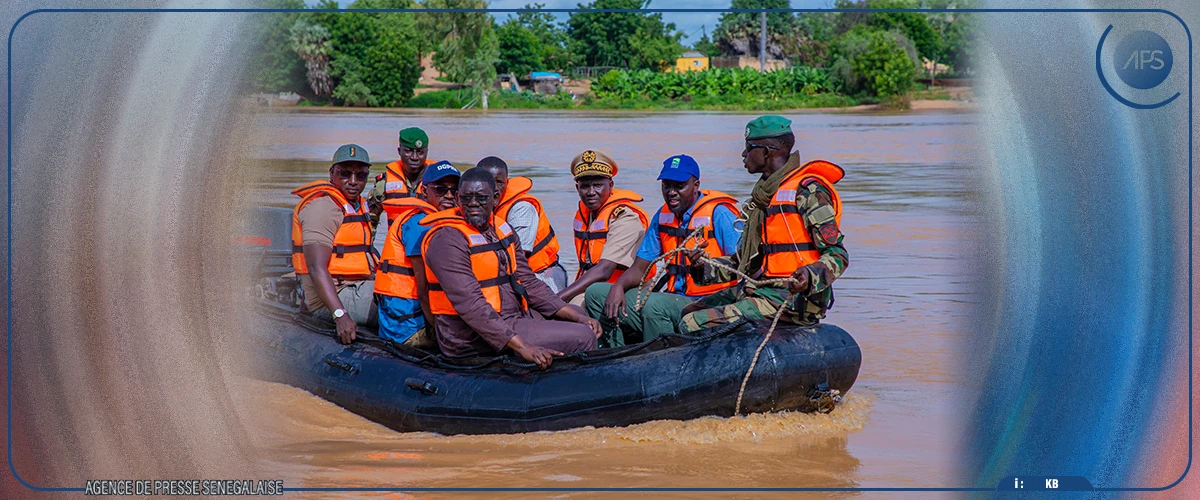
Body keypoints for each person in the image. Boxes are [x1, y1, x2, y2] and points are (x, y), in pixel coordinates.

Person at [677, 115, 849, 332]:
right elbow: (745, 264)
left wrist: (809, 276)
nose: (743, 154)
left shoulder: (808, 192)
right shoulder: (763, 197)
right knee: (687, 312)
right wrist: (702, 267)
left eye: (748, 148)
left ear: (766, 152)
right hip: (761, 290)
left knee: (691, 324)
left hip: (792, 299)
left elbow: (837, 254)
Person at [419, 167, 601, 369]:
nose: (472, 204)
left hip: (512, 317)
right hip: (469, 335)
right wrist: (523, 347)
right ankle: (577, 389)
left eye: (481, 198)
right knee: (583, 336)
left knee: (577, 315)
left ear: (495, 198)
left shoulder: (501, 229)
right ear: (458, 199)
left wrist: (573, 314)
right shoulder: (447, 240)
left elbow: (528, 281)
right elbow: (471, 306)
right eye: (466, 198)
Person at [585, 154, 742, 347]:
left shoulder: (719, 214)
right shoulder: (662, 215)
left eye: (679, 186)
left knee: (654, 306)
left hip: (710, 300)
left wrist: (705, 265)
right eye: (666, 185)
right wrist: (618, 286)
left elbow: (743, 264)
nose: (671, 192)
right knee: (596, 293)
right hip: (674, 295)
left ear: (696, 185)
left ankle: (662, 358)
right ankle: (614, 356)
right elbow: (639, 268)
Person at [291, 144, 379, 345]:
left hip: (357, 287)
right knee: (400, 302)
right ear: (332, 173)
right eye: (345, 174)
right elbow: (315, 267)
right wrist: (340, 315)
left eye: (361, 175)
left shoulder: (357, 204)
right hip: (332, 299)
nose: (353, 182)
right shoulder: (323, 207)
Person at [373, 161, 460, 346]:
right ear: (425, 191)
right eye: (441, 189)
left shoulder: (445, 222)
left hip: (419, 313)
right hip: (407, 325)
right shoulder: (419, 224)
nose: (449, 195)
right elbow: (423, 292)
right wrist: (441, 332)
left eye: (455, 190)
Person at [557, 150, 651, 308]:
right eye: (585, 186)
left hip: (623, 291)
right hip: (593, 288)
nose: (591, 192)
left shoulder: (624, 218)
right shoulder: (586, 215)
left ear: (611, 185)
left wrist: (557, 299)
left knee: (568, 311)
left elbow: (604, 270)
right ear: (577, 187)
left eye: (598, 185)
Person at [476, 156, 568, 293]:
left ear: (507, 182)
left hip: (540, 275)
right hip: (507, 272)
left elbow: (517, 257)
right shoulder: (472, 204)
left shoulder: (521, 208)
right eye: (488, 181)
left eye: (499, 182)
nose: (494, 187)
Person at [370, 127, 436, 227]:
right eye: (408, 151)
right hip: (396, 241)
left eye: (420, 152)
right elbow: (371, 219)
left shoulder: (439, 181)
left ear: (427, 152)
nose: (414, 157)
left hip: (429, 240)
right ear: (399, 151)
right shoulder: (385, 182)